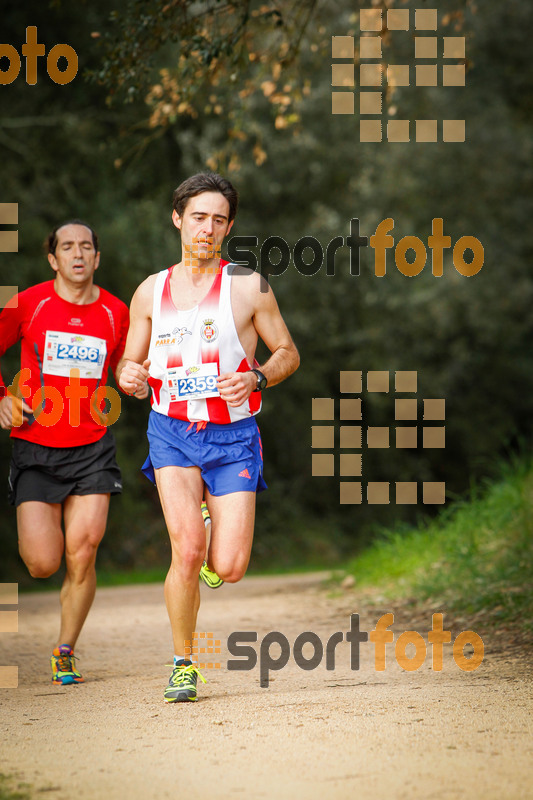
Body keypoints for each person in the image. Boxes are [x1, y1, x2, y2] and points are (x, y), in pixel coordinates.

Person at [118, 172, 299, 702]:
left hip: (233, 434)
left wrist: (257, 375)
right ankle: (183, 663)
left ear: (229, 227)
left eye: (218, 219)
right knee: (188, 551)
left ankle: (207, 519)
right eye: (198, 216)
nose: (207, 227)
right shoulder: (151, 290)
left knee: (230, 567)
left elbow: (288, 352)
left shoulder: (249, 286)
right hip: (171, 431)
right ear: (178, 218)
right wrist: (127, 376)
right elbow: (131, 362)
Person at [0, 220, 143, 685]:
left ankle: (65, 649)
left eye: (86, 246)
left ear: (97, 258)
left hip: (92, 449)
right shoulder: (28, 303)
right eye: (67, 246)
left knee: (83, 552)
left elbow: (129, 364)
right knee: (43, 562)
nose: (78, 254)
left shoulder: (115, 312)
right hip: (36, 447)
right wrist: (2, 395)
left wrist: (134, 377)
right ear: (53, 258)